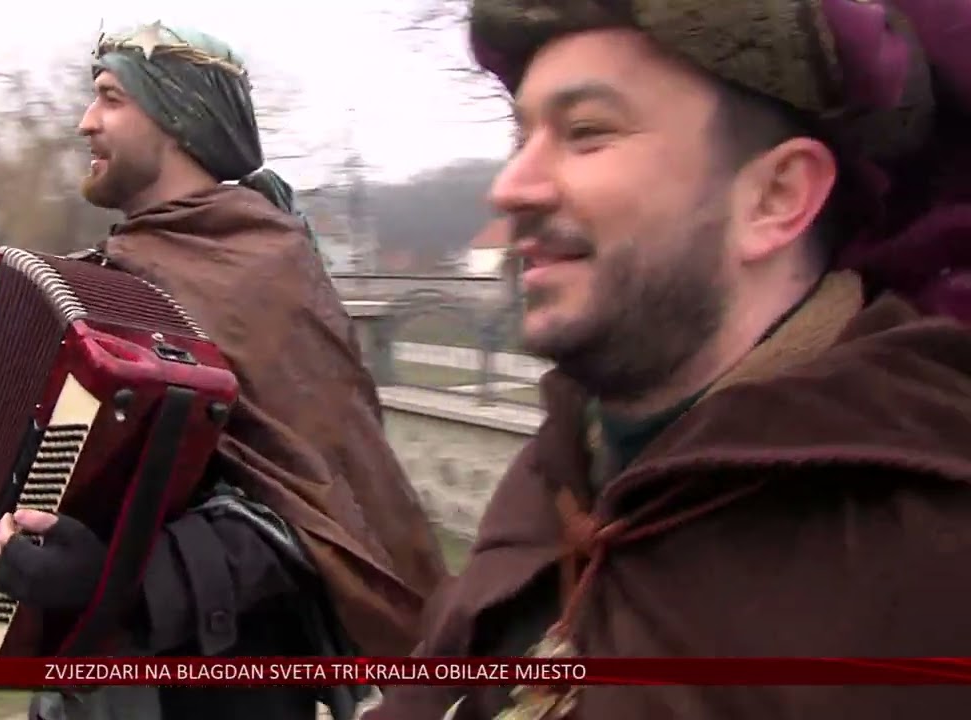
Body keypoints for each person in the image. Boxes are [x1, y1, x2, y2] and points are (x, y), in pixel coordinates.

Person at [362, 1, 971, 719]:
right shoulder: (565, 466)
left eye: (586, 133)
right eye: (522, 136)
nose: (509, 187)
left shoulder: (929, 552)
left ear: (775, 197)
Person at [0, 20, 448, 720]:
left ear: (178, 114)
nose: (85, 122)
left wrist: (118, 577)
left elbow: (313, 511)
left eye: (110, 97)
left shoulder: (264, 271)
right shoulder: (117, 274)